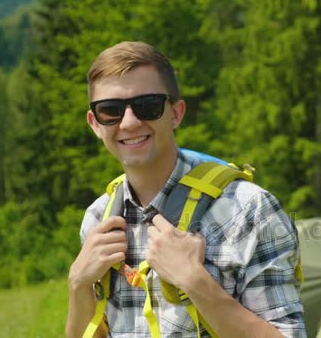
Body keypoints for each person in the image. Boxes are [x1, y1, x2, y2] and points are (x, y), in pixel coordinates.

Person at [65, 41, 306, 338]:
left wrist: (194, 281)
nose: (129, 123)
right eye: (110, 110)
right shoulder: (98, 217)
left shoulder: (249, 210)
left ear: (176, 113)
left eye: (148, 106)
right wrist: (78, 284)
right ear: (95, 124)